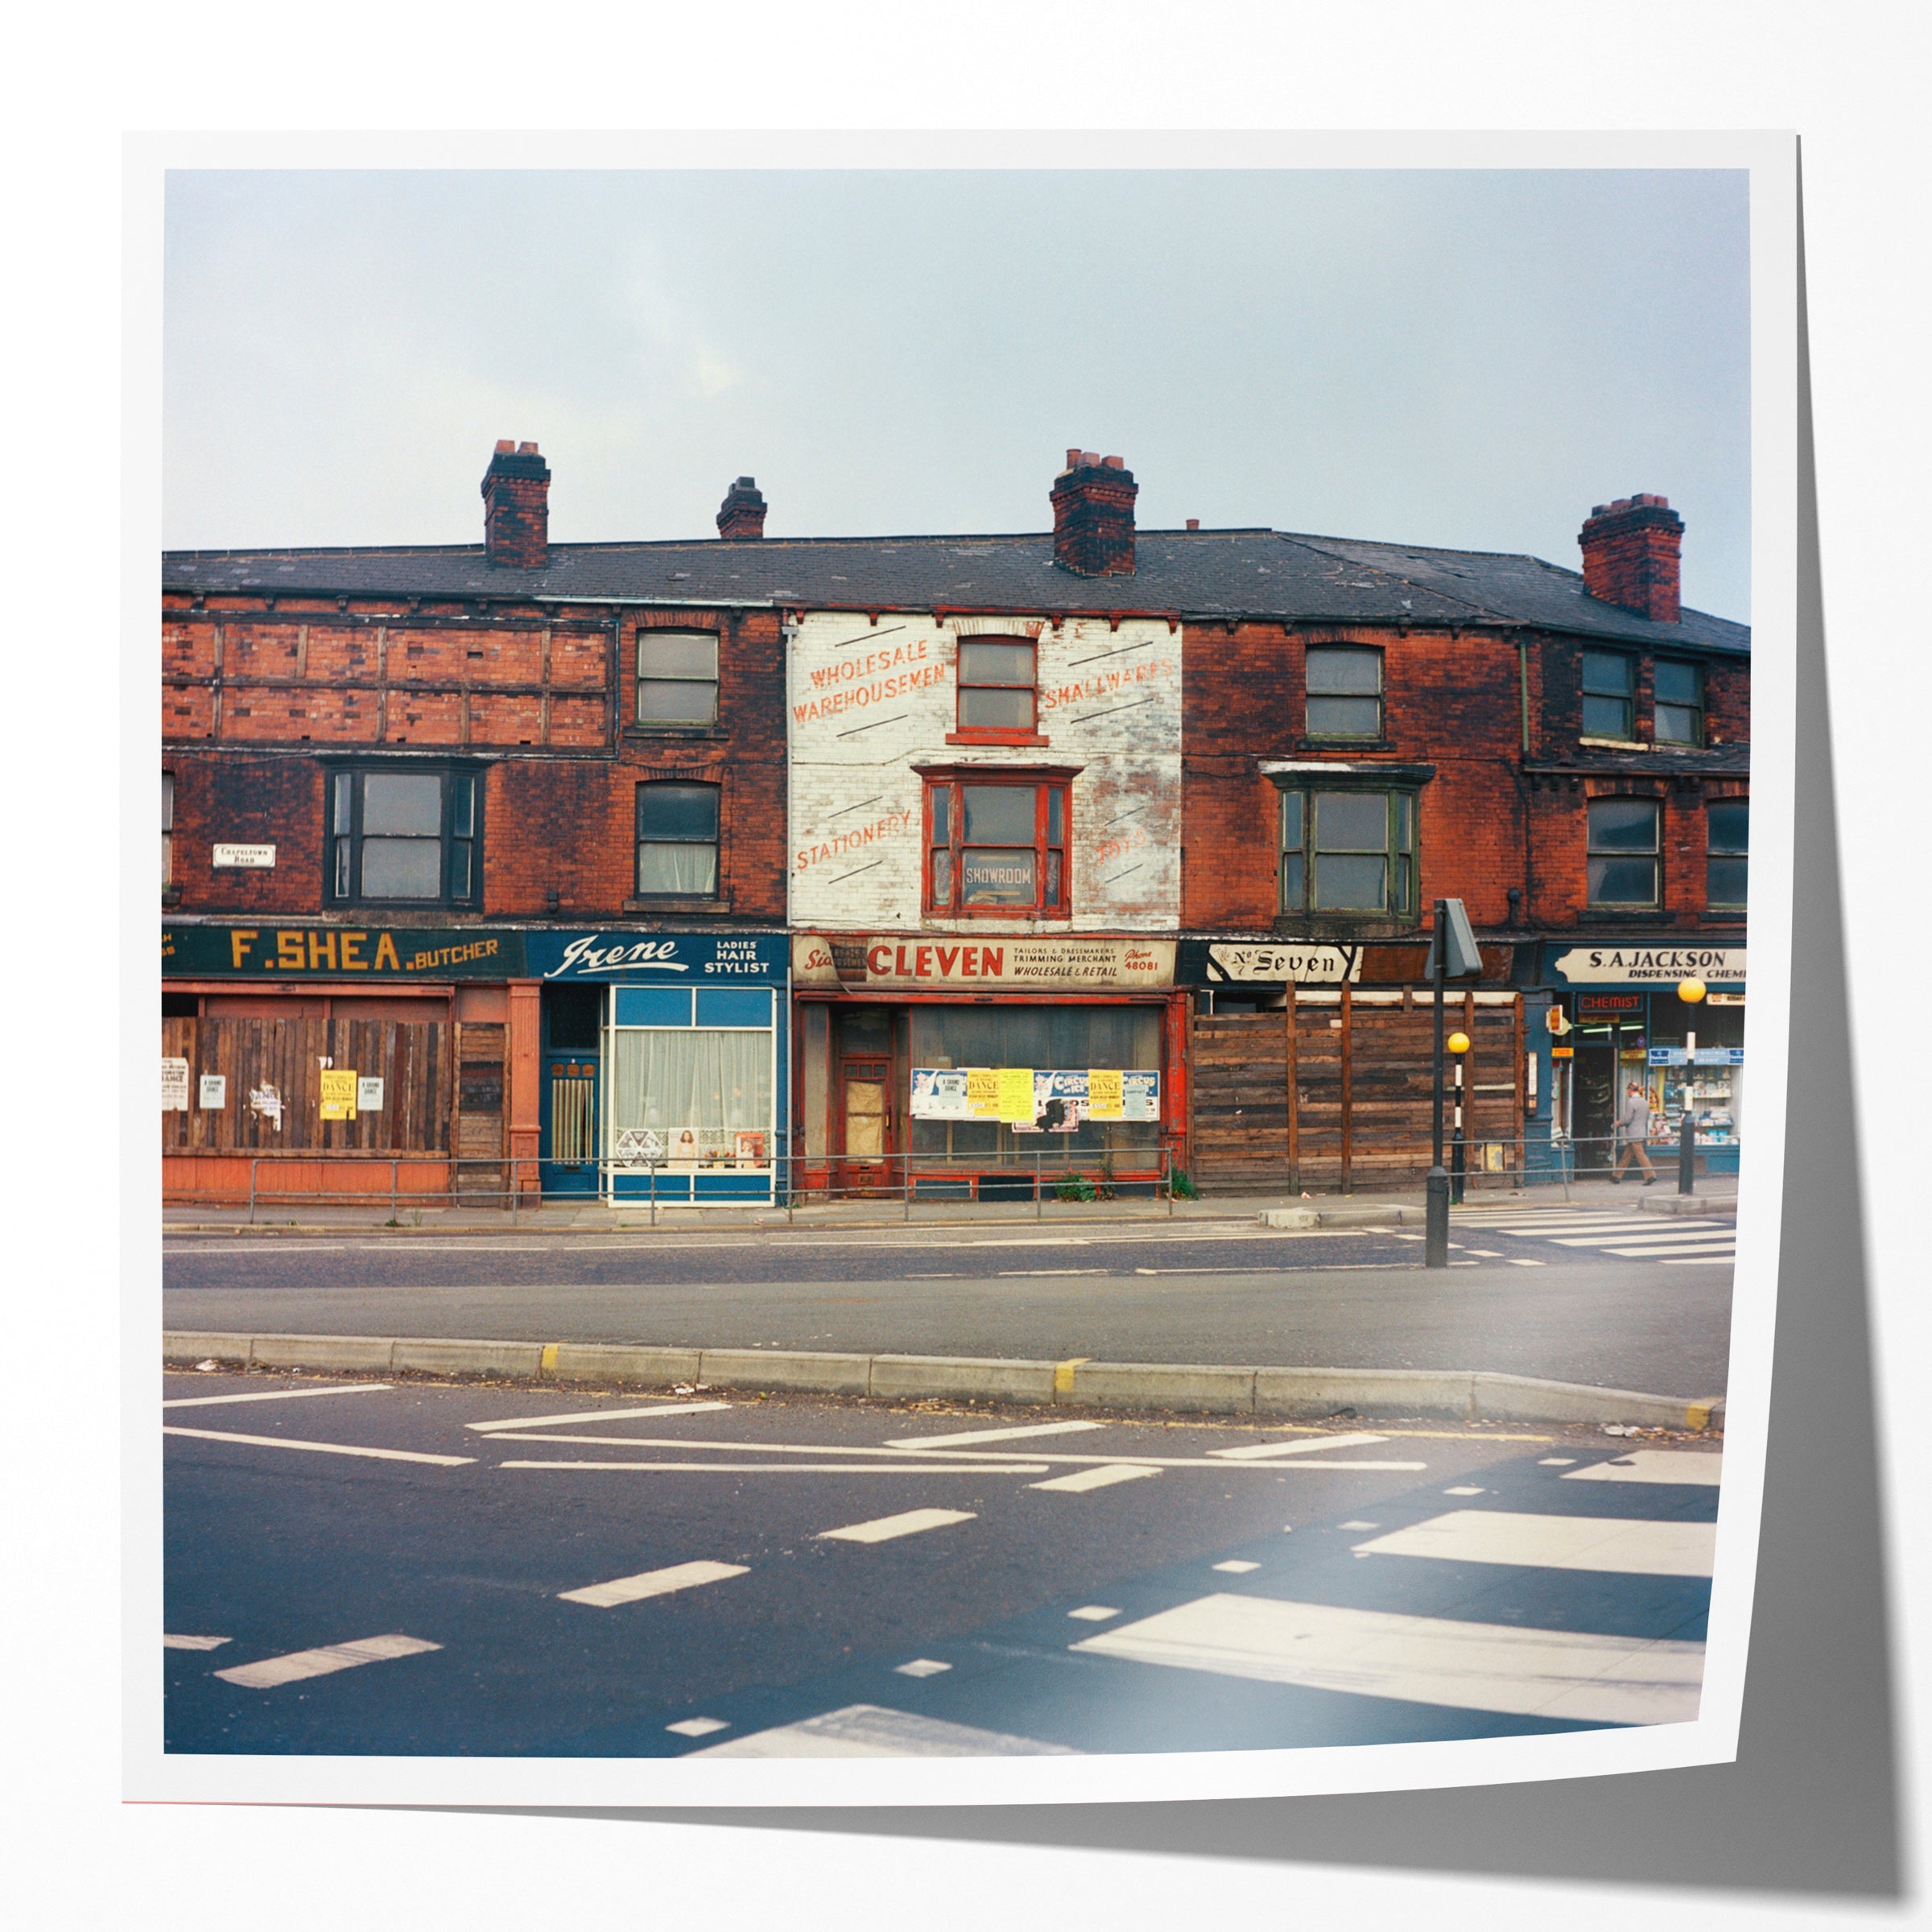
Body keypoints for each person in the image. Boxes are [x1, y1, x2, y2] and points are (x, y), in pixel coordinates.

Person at [1612, 1080, 1657, 1184]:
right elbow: (1647, 1117)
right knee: (1627, 1156)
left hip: (1633, 1133)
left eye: (1628, 1090)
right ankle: (1616, 1176)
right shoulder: (1645, 1102)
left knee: (1641, 1156)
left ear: (1630, 1090)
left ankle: (1651, 1175)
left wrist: (1619, 1123)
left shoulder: (1631, 1102)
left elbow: (1628, 1119)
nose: (1628, 1092)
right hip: (1641, 1131)